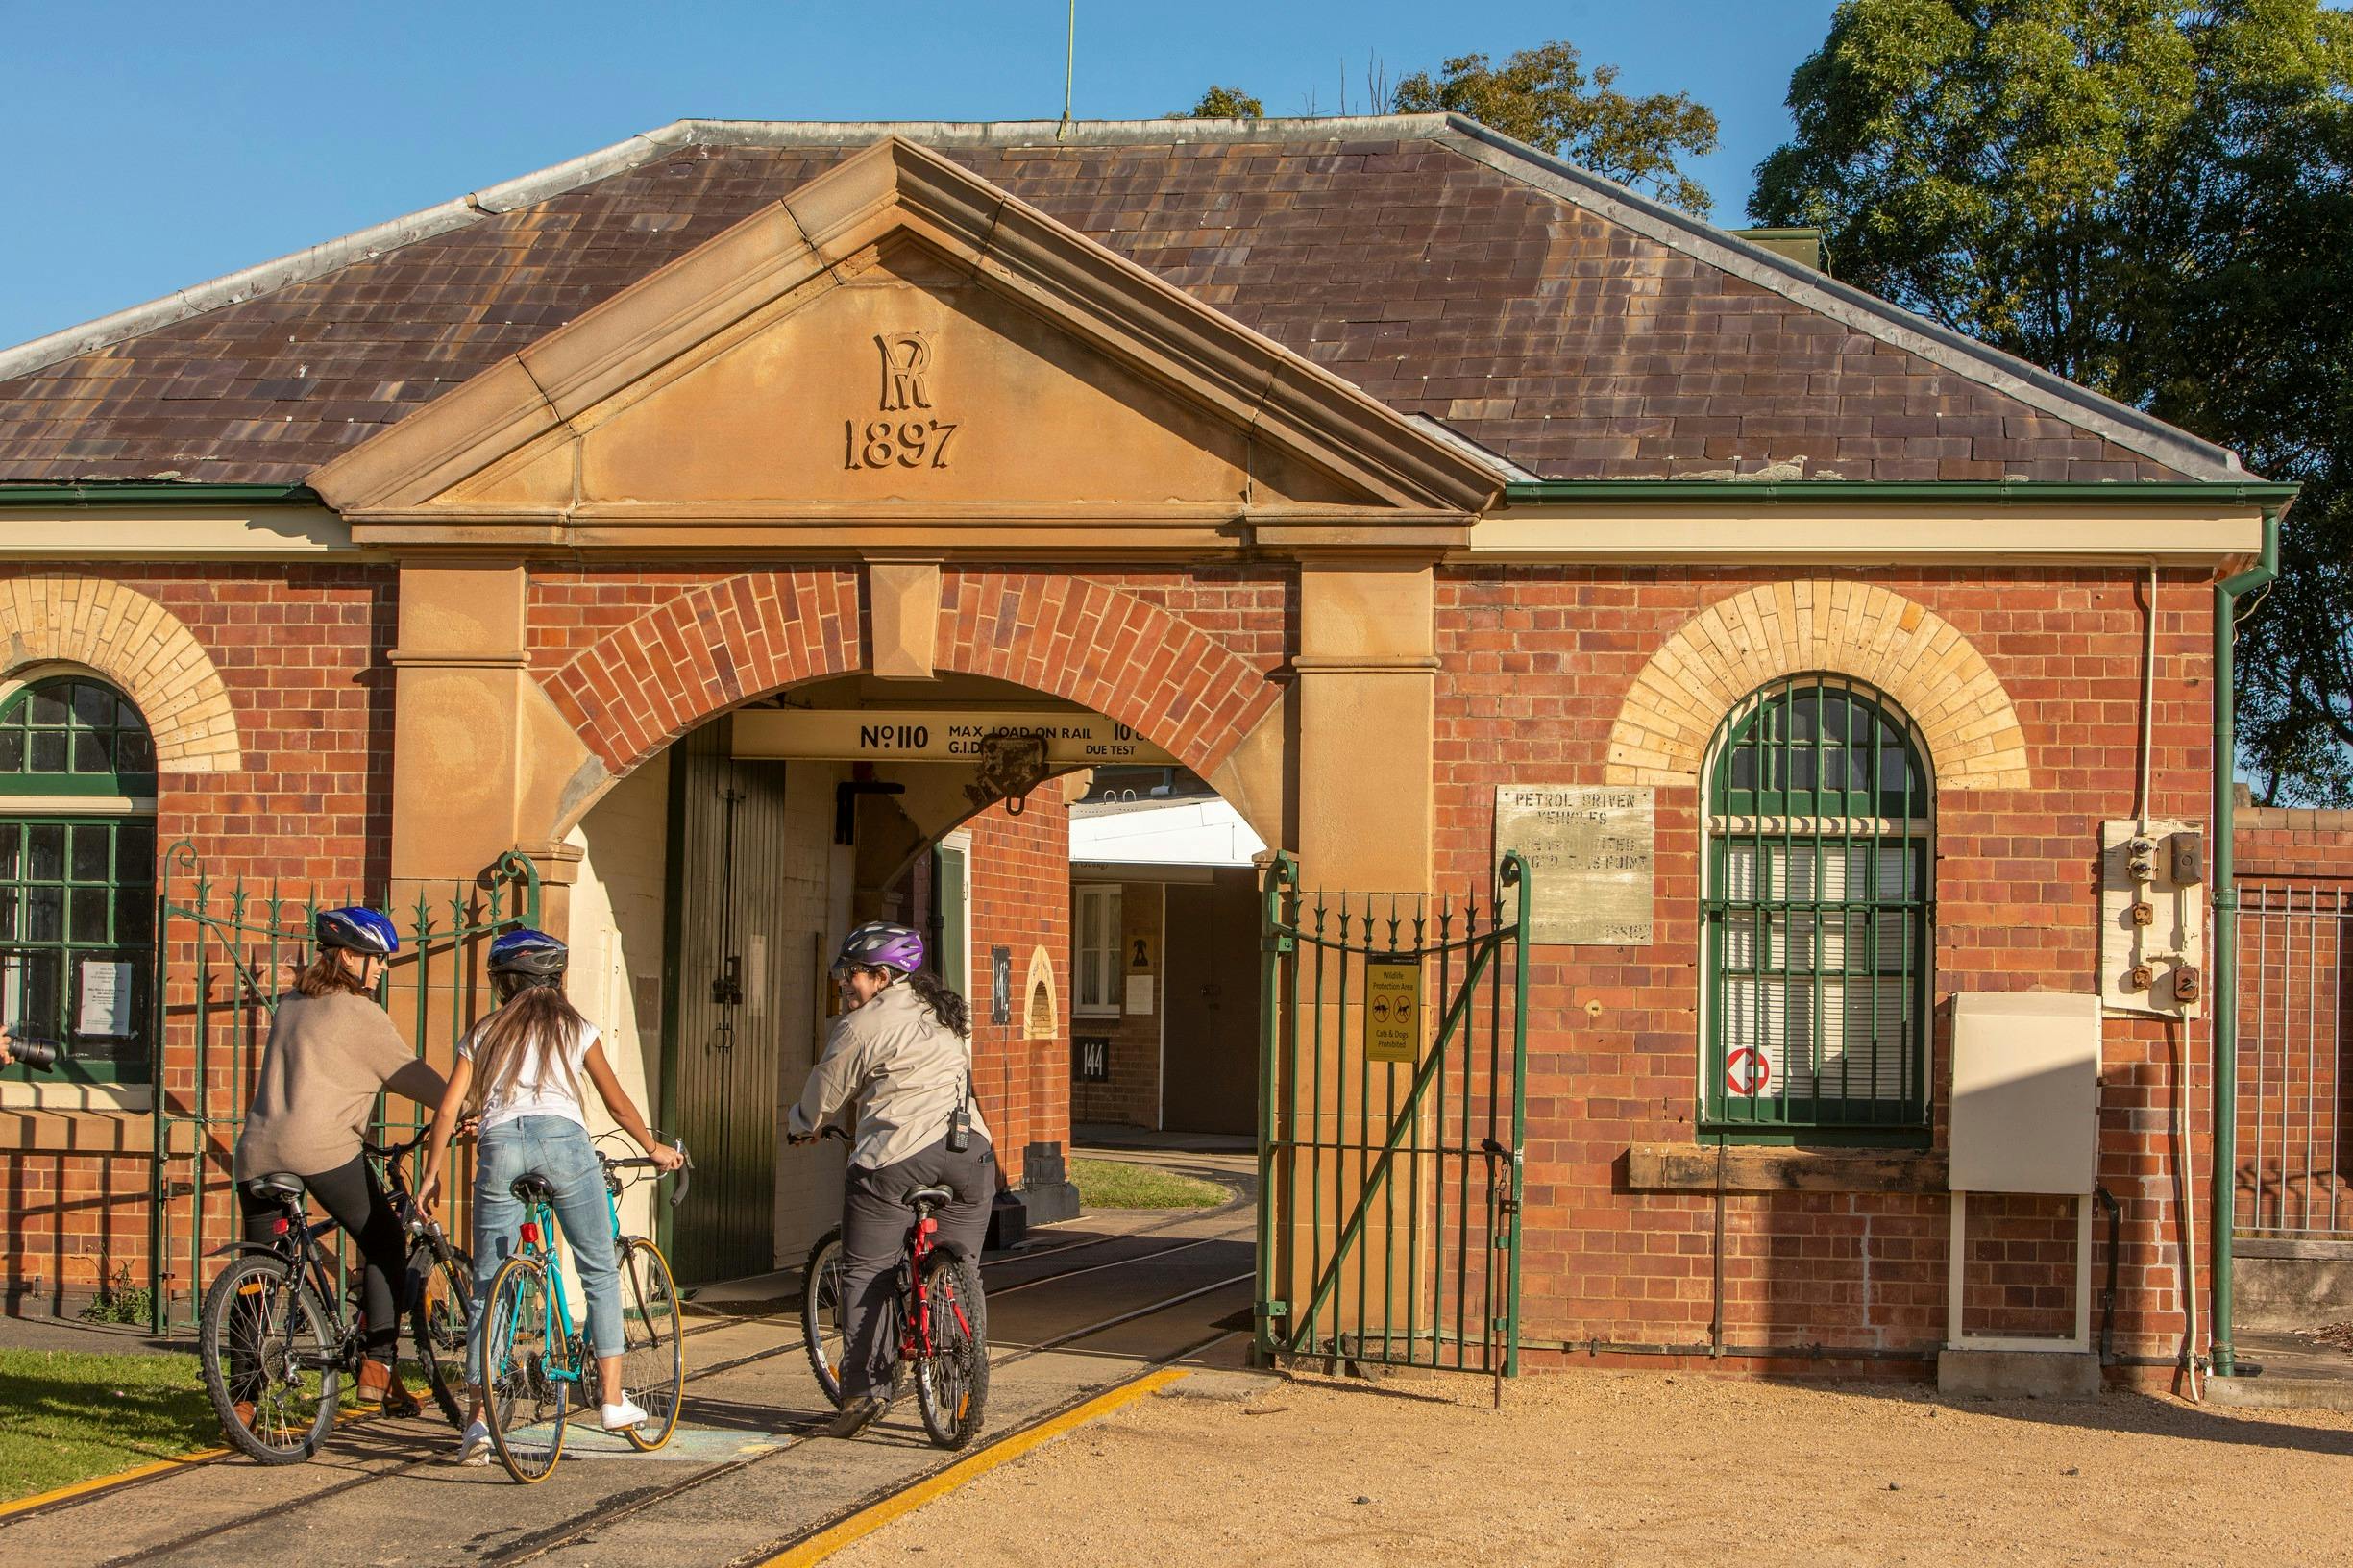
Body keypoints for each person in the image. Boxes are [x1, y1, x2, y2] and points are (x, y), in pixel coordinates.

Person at [417, 927, 681, 1466]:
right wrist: (651, 1146)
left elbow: (449, 1108)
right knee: (599, 1267)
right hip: (563, 1144)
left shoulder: (484, 1032)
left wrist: (432, 1173)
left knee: (489, 1286)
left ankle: (478, 1422)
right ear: (555, 979)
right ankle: (610, 1400)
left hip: (500, 1147)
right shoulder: (575, 1027)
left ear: (503, 983)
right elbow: (617, 1104)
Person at [233, 906, 445, 1418]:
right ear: (349, 956)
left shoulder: (292, 1003)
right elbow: (413, 1077)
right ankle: (377, 1365)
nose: (383, 969)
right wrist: (469, 1104)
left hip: (257, 1149)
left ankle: (239, 1399)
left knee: (258, 1274)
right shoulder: (361, 1013)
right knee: (384, 1239)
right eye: (377, 958)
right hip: (321, 1149)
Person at [788, 920, 995, 1438]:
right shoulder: (943, 1013)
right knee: (959, 1265)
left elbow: (824, 1092)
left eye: (851, 976)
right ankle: (956, 1370)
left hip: (899, 1160)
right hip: (972, 1156)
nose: (844, 986)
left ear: (881, 976)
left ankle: (862, 1395)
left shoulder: (861, 1025)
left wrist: (800, 1126)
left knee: (866, 1270)